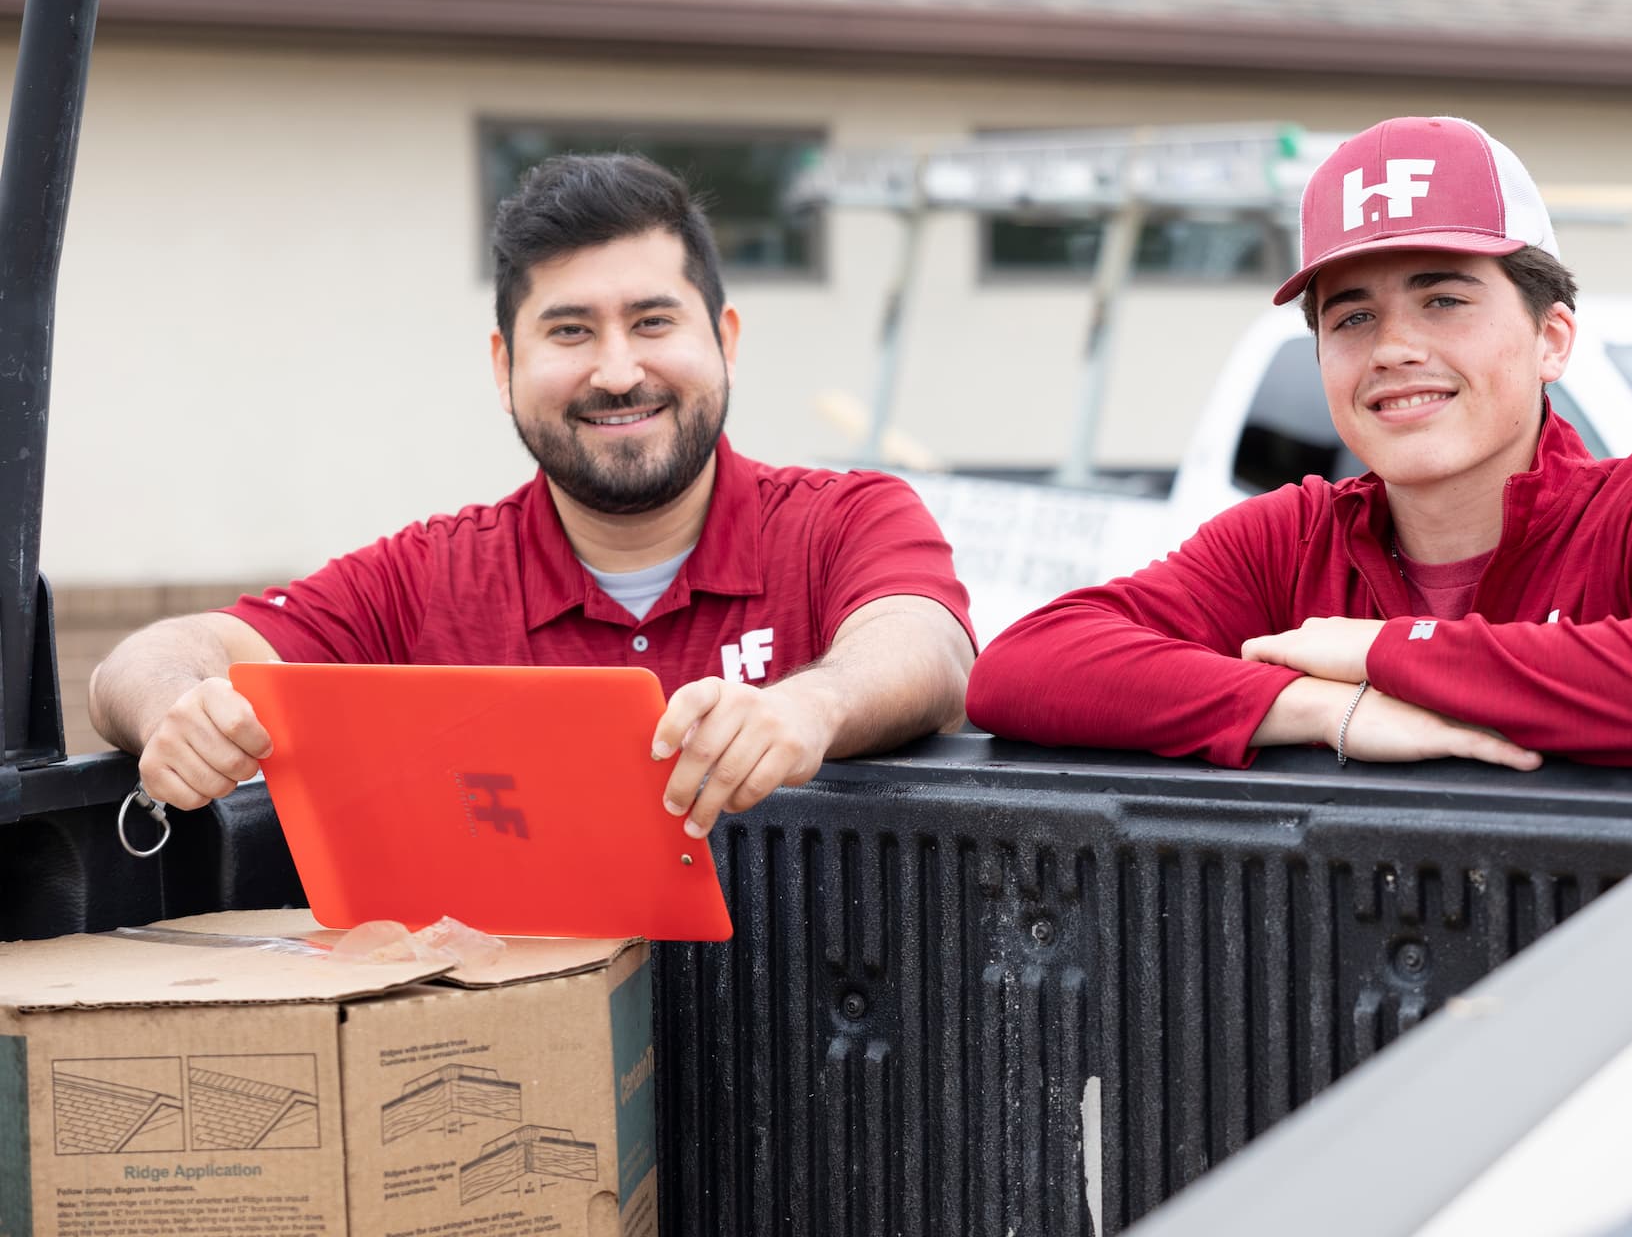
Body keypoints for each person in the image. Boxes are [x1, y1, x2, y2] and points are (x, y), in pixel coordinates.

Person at [90, 153, 976, 836]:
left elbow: (927, 648)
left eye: (654, 321)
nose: (619, 370)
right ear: (504, 367)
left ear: (726, 341)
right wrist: (178, 710)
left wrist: (804, 707)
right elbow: (144, 662)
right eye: (570, 331)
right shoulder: (426, 579)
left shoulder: (846, 519)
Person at [967, 115, 1632, 775]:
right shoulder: (1286, 539)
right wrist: (1322, 708)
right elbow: (1024, 668)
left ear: (1552, 338)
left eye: (1443, 299)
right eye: (1354, 316)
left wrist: (1375, 649)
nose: (1394, 348)